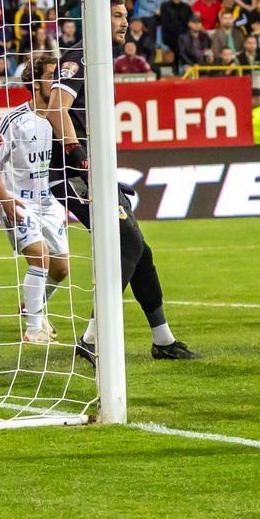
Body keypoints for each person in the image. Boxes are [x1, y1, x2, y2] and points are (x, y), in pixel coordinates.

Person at [54, 61, 197, 366]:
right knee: (128, 244)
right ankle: (91, 340)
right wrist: (77, 152)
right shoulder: (80, 57)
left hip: (94, 171)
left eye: (124, 15)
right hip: (73, 173)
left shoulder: (101, 59)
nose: (124, 22)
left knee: (140, 252)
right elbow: (57, 108)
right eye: (116, 14)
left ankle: (163, 341)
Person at [0, 52, 75, 346]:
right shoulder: (15, 119)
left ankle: (31, 305)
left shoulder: (58, 118)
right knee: (39, 257)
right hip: (18, 201)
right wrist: (5, 199)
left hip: (46, 201)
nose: (58, 82)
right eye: (52, 76)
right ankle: (33, 328)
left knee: (61, 269)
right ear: (36, 82)